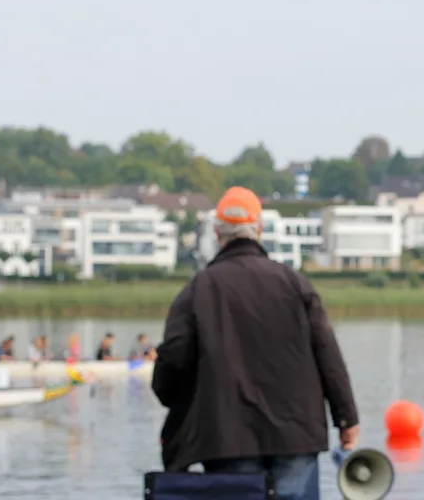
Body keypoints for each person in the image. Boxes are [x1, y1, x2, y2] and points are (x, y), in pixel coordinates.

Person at [153, 186, 359, 500]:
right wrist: (346, 418)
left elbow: (174, 358)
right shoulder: (294, 284)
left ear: (217, 233)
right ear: (259, 230)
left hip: (227, 436)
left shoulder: (198, 290)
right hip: (297, 434)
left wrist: (169, 396)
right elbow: (327, 353)